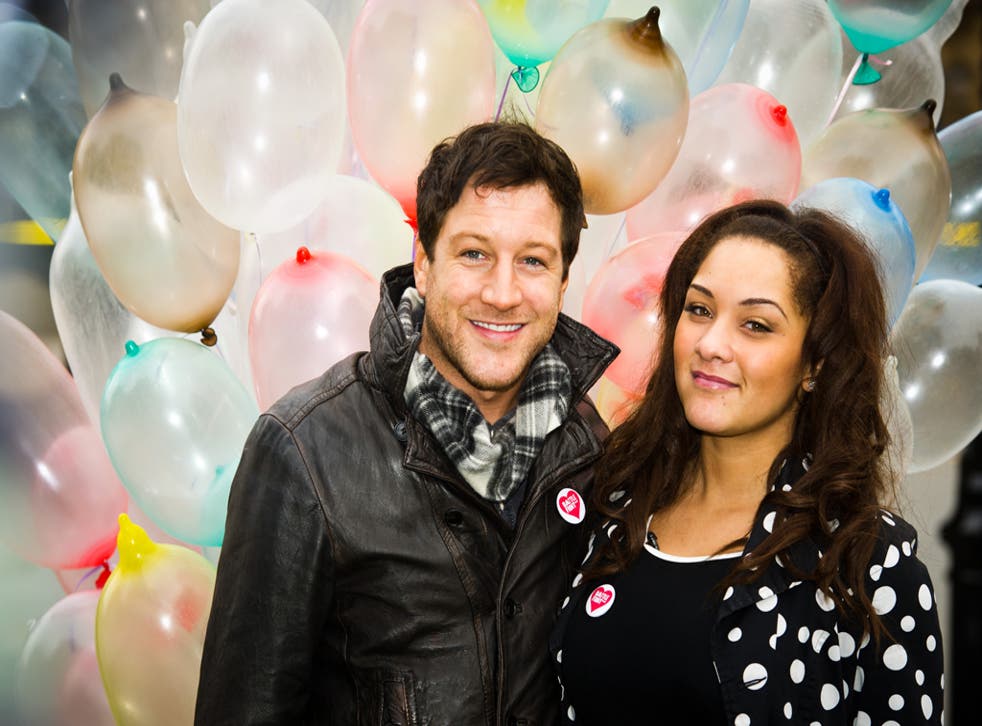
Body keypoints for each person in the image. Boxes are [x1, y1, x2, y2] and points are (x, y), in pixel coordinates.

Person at [194, 121, 618, 726]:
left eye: (532, 261)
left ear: (562, 281)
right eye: (474, 253)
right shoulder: (306, 450)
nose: (502, 292)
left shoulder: (584, 442)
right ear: (423, 263)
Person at [551, 200, 944, 725]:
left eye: (756, 325)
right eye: (699, 310)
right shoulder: (612, 506)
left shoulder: (868, 562)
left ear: (814, 365)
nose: (712, 344)